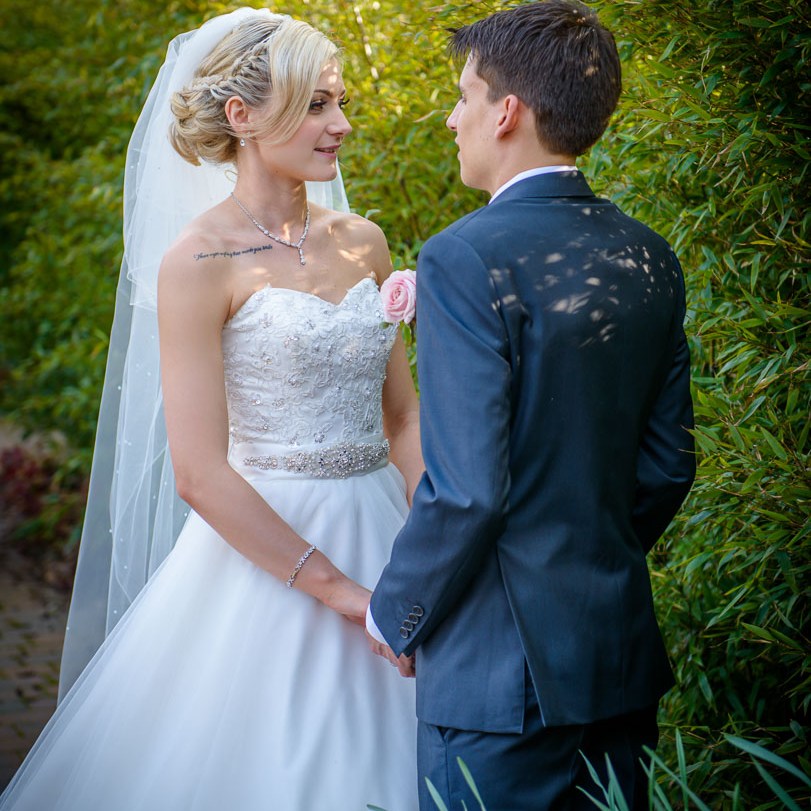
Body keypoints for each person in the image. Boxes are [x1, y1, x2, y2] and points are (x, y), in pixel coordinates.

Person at [0, 8, 421, 810]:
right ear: (244, 116)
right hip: (266, 551)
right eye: (319, 104)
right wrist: (345, 593)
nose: (342, 123)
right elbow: (196, 471)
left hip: (388, 533)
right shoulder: (197, 260)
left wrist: (432, 542)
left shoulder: (363, 241)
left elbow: (402, 418)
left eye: (340, 101)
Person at [366, 2, 696, 809]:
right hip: (613, 657)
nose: (452, 118)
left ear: (505, 112)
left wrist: (395, 613)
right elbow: (666, 463)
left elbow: (468, 487)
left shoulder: (464, 255)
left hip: (494, 677)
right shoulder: (645, 252)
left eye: (464, 96)